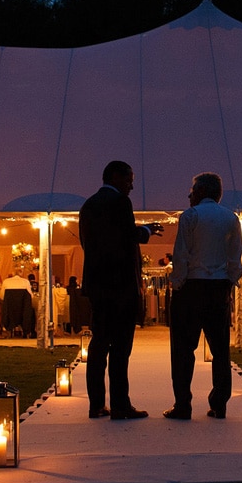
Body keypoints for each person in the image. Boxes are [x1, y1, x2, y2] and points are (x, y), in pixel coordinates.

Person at [79, 160, 162, 420]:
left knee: (99, 344)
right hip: (121, 288)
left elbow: (94, 242)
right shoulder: (120, 203)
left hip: (97, 287)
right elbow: (125, 237)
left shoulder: (88, 205)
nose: (132, 186)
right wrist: (146, 230)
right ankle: (120, 405)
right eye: (129, 180)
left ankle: (95, 404)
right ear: (116, 177)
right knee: (121, 348)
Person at [164, 172, 242, 421]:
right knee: (220, 349)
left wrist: (177, 284)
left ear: (200, 192)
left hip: (191, 288)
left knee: (183, 349)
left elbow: (181, 255)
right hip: (218, 287)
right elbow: (235, 256)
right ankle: (219, 404)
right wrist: (229, 281)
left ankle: (183, 404)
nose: (189, 194)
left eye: (192, 190)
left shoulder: (190, 216)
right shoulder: (231, 218)